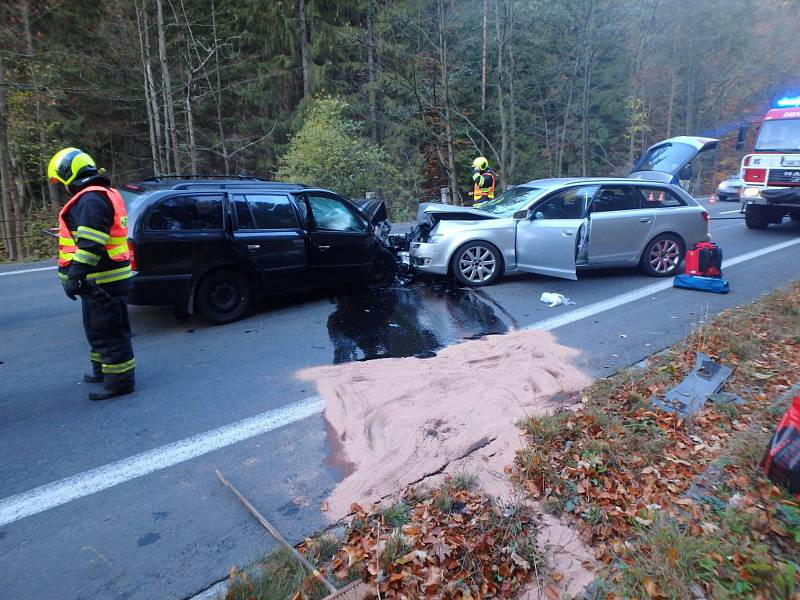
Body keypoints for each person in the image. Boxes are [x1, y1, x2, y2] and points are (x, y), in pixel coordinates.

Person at [48, 147, 136, 400]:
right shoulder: (98, 196)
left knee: (109, 331)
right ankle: (102, 370)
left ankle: (119, 381)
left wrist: (74, 275)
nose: (62, 186)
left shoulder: (91, 199)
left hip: (103, 279)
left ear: (68, 173)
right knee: (96, 328)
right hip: (101, 279)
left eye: (60, 180)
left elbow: (91, 244)